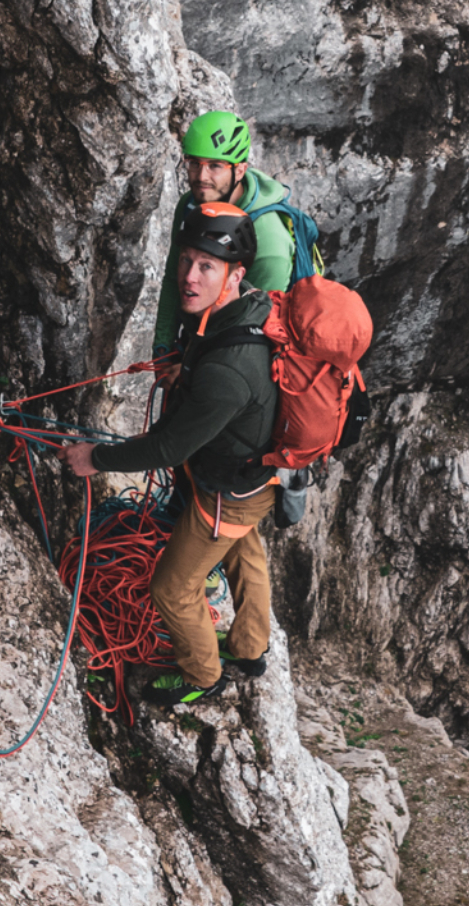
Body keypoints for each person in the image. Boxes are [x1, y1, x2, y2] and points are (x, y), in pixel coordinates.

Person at [65, 201, 278, 706]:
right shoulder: (250, 310)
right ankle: (250, 650)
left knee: (172, 588)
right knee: (243, 552)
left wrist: (94, 459)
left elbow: (168, 446)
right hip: (257, 475)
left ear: (235, 274)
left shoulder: (229, 370)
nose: (189, 276)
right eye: (186, 260)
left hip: (227, 489)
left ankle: (204, 678)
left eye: (207, 266)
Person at [153, 111, 296, 354]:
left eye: (215, 166)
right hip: (198, 338)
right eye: (194, 163)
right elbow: (173, 278)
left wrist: (191, 365)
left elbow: (257, 328)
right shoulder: (192, 206)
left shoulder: (269, 241)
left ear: (239, 170)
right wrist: (163, 348)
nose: (201, 177)